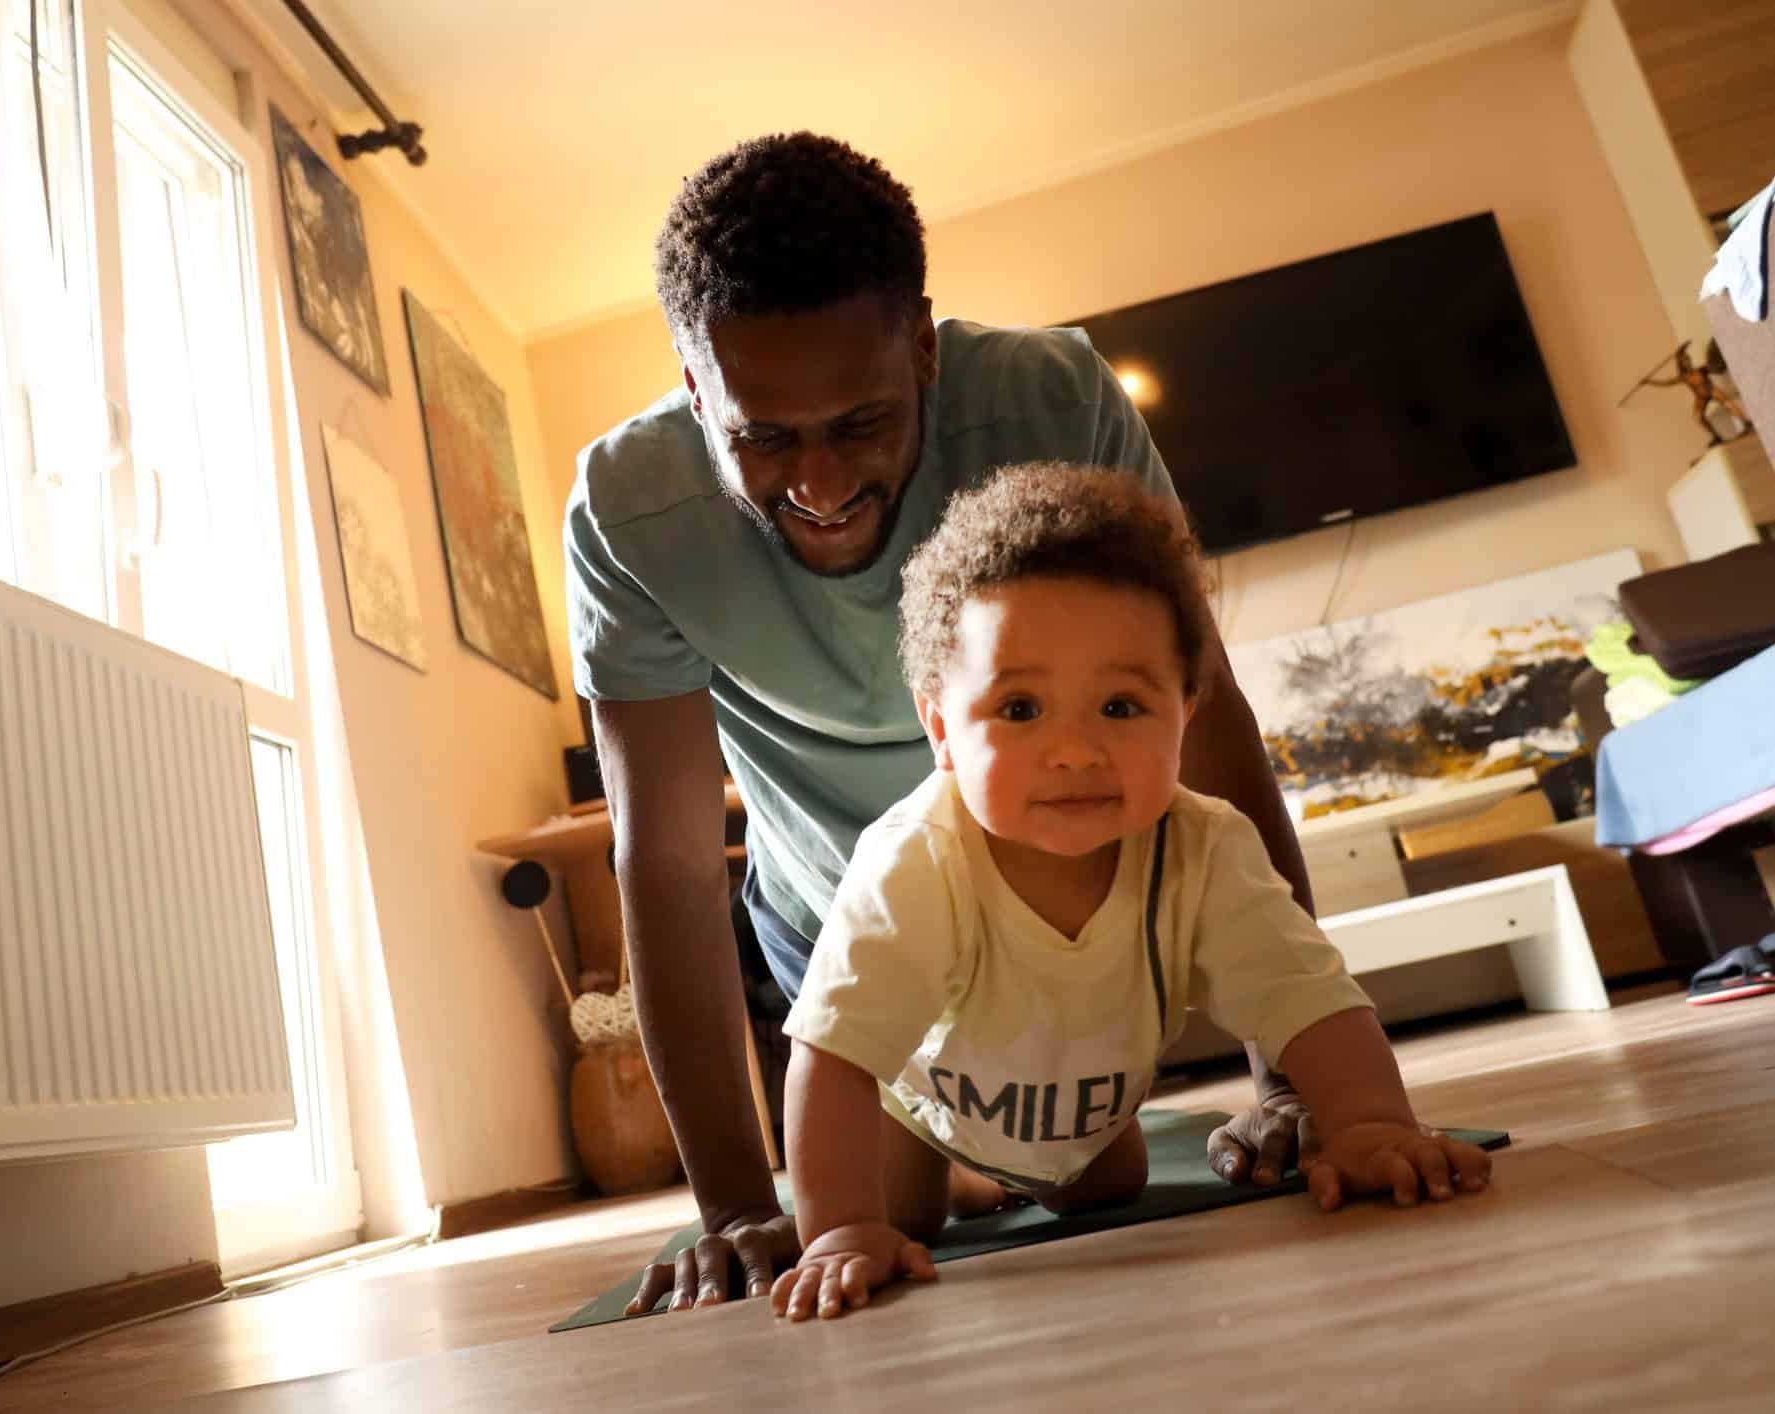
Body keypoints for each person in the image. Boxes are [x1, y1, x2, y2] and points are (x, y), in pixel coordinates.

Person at [564, 132, 1320, 1316]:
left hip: (1075, 902)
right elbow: (658, 857)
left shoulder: (1049, 395)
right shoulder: (625, 506)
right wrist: (733, 1206)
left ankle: (989, 1155)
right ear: (695, 386)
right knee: (885, 1202)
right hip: (837, 929)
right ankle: (946, 1159)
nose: (818, 480)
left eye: (861, 422)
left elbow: (1202, 711)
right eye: (763, 436)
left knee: (1100, 1172)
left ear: (922, 344)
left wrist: (1289, 1086)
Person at [767, 464, 1493, 1322]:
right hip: (919, 1102)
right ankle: (960, 1173)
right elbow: (834, 1054)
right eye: (1020, 709)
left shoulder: (1205, 848)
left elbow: (1310, 1001)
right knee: (900, 1213)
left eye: (1118, 707)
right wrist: (839, 1232)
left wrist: (1370, 1124)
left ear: (1184, 709)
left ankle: (1004, 1171)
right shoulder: (914, 864)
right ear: (941, 731)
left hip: (1087, 1112)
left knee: (1106, 1184)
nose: (1074, 753)